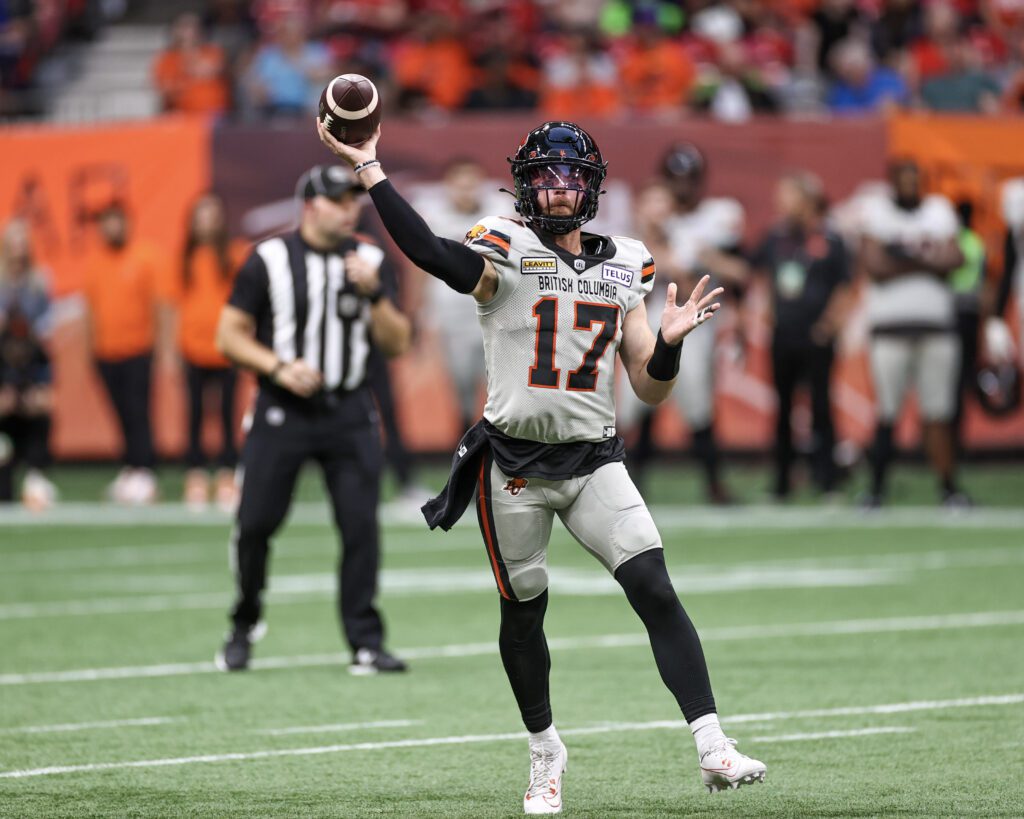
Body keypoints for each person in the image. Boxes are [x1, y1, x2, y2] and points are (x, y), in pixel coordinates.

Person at [318, 119, 767, 813]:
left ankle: (712, 744)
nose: (559, 190)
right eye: (547, 176)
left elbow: (649, 384)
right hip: (514, 467)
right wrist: (372, 169)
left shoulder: (629, 261)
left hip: (593, 459)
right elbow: (432, 254)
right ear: (526, 184)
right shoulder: (504, 245)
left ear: (591, 187)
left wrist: (670, 345)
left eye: (572, 177)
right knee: (524, 612)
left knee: (652, 581)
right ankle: (544, 750)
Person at [215, 164, 411, 675]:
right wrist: (278, 367)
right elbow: (229, 335)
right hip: (282, 411)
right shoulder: (268, 258)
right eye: (338, 200)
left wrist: (373, 294)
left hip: (349, 410)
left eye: (353, 201)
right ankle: (244, 620)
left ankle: (365, 641)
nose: (349, 209)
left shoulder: (369, 258)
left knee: (360, 528)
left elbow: (398, 342)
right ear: (309, 205)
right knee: (255, 523)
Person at [629, 143, 746, 504]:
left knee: (695, 398)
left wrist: (701, 256)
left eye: (687, 179)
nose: (681, 188)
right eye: (674, 180)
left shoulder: (716, 217)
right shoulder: (649, 223)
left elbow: (740, 272)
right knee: (636, 399)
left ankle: (712, 482)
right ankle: (632, 483)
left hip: (692, 316)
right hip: (649, 314)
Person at [859, 160, 970, 508]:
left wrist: (901, 256)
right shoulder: (876, 211)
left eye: (915, 179)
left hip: (937, 329)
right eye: (904, 179)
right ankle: (876, 490)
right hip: (889, 330)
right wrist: (925, 259)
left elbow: (956, 258)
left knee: (939, 413)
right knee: (886, 413)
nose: (910, 185)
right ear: (892, 182)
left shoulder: (938, 210)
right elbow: (875, 266)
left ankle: (949, 490)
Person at [750, 172, 852, 499]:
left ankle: (827, 479)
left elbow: (846, 284)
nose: (781, 204)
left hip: (817, 334)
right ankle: (782, 480)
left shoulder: (831, 239)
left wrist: (830, 323)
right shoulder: (776, 237)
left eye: (788, 196)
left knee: (821, 406)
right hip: (784, 333)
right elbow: (753, 269)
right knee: (783, 409)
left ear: (807, 200)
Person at [411, 157, 510, 433]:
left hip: (495, 313)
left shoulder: (499, 213)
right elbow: (419, 268)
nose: (466, 188)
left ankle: (501, 445)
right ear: (448, 185)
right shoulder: (432, 215)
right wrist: (417, 311)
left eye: (471, 181)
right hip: (451, 316)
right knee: (462, 385)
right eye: (460, 182)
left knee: (502, 386)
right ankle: (467, 440)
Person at [82, 201, 170, 505]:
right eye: (107, 223)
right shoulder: (95, 263)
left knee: (138, 412)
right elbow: (90, 311)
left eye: (117, 221)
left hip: (138, 350)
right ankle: (130, 468)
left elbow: (159, 305)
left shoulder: (144, 257)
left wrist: (162, 349)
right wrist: (90, 350)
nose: (112, 228)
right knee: (119, 414)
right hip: (106, 352)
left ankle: (145, 470)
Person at [169, 193, 248, 510]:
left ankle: (228, 474)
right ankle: (196, 475)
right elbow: (174, 306)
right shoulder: (184, 258)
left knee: (229, 414)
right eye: (201, 215)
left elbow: (245, 301)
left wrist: (243, 339)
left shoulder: (234, 254)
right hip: (193, 348)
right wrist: (172, 348)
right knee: (195, 415)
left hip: (227, 348)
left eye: (212, 215)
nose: (206, 222)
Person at [0, 219, 57, 510]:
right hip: (3, 377)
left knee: (40, 415)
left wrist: (44, 385)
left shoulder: (39, 284)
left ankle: (36, 477)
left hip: (30, 375)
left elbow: (45, 346)